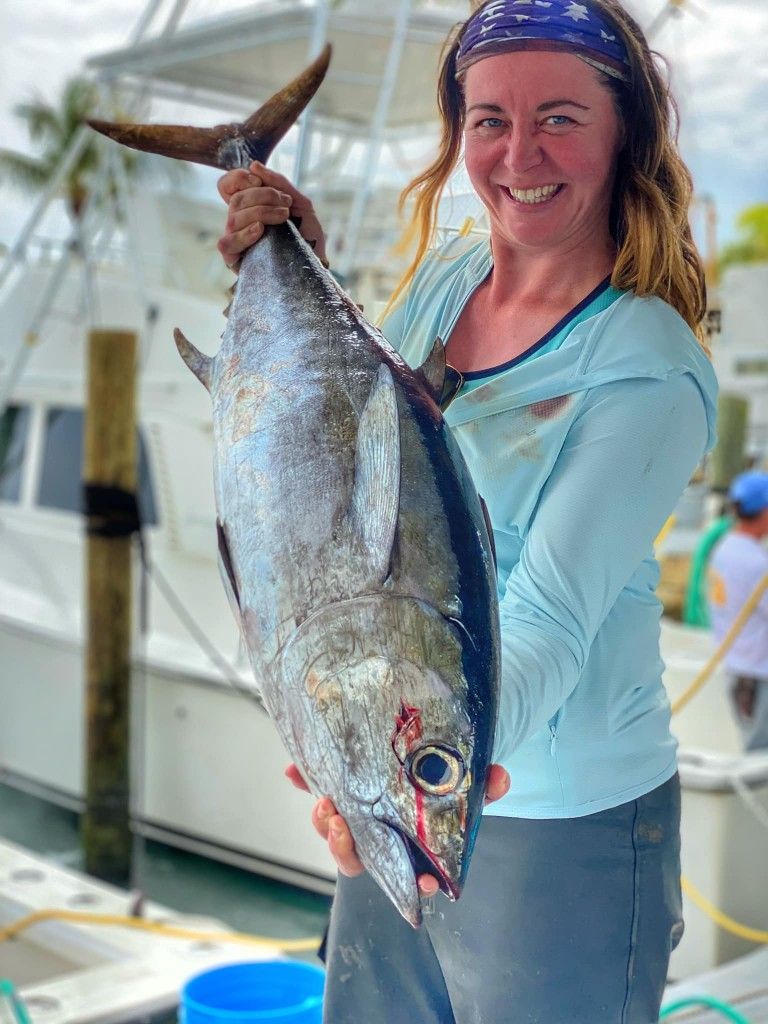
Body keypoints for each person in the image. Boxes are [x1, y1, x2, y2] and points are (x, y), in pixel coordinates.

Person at [216, 1, 718, 1020]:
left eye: (561, 118)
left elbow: (549, 618)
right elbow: (356, 435)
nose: (519, 152)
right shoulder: (451, 275)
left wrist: (430, 770)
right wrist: (298, 259)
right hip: (411, 789)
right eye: (490, 120)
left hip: (563, 828)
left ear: (626, 134)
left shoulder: (646, 373)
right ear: (460, 135)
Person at [708, 471, 768, 752]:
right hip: (758, 675)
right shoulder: (756, 563)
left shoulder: (725, 549)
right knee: (760, 754)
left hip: (737, 669)